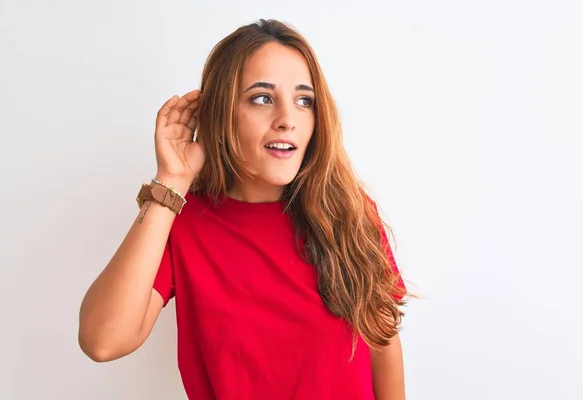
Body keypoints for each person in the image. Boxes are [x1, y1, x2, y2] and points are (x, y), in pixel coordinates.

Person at [78, 18, 409, 400]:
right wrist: (171, 180)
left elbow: (383, 346)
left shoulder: (348, 213)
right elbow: (102, 341)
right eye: (262, 98)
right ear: (222, 113)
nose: (287, 119)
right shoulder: (182, 225)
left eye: (304, 100)